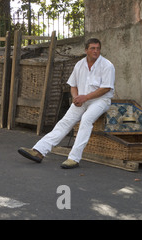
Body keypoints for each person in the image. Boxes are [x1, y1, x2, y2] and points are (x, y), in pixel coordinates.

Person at [18, 38, 115, 169]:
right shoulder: (79, 64)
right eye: (92, 48)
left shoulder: (107, 65)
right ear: (86, 50)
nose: (96, 51)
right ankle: (39, 151)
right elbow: (73, 86)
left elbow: (106, 88)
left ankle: (74, 158)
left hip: (101, 100)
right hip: (82, 99)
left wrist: (84, 98)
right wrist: (76, 98)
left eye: (98, 48)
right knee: (65, 122)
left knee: (86, 119)